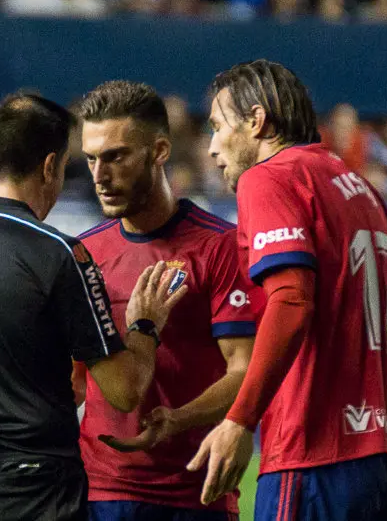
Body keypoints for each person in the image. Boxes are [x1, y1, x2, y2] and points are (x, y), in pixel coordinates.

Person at [0, 93, 188, 520]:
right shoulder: (61, 254)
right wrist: (145, 326)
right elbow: (124, 391)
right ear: (50, 166)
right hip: (33, 491)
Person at [187, 60, 387, 520]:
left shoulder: (269, 178)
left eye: (218, 127)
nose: (213, 147)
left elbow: (292, 300)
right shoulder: (364, 193)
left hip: (313, 454)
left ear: (256, 122)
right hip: (383, 463)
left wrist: (239, 419)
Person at [69, 80, 260, 521]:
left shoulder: (219, 248)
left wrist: (179, 419)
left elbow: (245, 369)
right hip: (99, 493)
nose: (100, 175)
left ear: (158, 151)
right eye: (92, 158)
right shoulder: (82, 255)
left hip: (194, 493)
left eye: (116, 156)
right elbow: (72, 381)